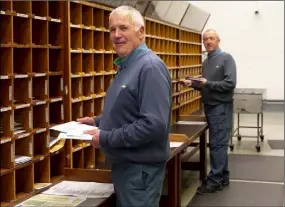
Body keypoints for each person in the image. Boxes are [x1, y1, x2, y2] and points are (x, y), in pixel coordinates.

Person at [77, 5, 172, 207]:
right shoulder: (128, 64)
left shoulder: (150, 67)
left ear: (141, 32)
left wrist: (105, 137)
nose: (117, 35)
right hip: (127, 167)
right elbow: (131, 111)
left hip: (139, 171)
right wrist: (97, 121)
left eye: (123, 28)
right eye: (112, 29)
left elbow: (153, 126)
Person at [181, 29, 236, 194]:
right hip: (211, 106)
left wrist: (207, 83)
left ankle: (214, 181)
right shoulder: (206, 62)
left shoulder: (226, 58)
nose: (208, 41)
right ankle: (223, 176)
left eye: (211, 38)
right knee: (219, 144)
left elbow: (230, 84)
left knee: (217, 144)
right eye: (205, 39)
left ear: (218, 40)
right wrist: (193, 84)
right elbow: (206, 84)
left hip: (220, 107)